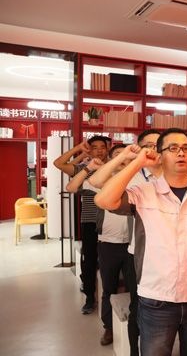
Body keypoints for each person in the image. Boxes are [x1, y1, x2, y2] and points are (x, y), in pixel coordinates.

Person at [95, 128, 187, 356]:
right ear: (160, 155)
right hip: (157, 298)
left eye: (186, 148)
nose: (181, 153)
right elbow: (104, 200)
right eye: (173, 148)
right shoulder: (143, 192)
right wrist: (138, 162)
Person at [88, 129, 162, 356]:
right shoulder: (134, 176)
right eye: (148, 145)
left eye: (158, 144)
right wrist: (125, 157)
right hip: (138, 253)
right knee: (137, 305)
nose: (154, 149)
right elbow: (96, 181)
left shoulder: (176, 173)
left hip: (168, 256)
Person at [66, 143, 131, 347]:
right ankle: (109, 327)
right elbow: (71, 187)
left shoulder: (138, 180)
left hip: (134, 245)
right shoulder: (103, 181)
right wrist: (88, 168)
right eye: (118, 155)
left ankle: (133, 328)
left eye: (126, 155)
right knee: (109, 289)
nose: (123, 158)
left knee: (135, 290)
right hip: (108, 244)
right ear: (112, 160)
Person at [53, 135, 109, 314]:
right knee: (89, 260)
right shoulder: (83, 169)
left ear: (108, 149)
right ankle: (89, 298)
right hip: (90, 220)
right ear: (90, 150)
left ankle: (108, 297)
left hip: (111, 221)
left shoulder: (114, 166)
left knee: (109, 260)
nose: (99, 150)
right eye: (95, 147)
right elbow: (59, 163)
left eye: (102, 147)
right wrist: (79, 149)